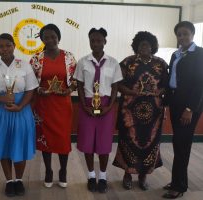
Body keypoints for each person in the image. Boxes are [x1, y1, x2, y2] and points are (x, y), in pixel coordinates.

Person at [0, 33, 38, 197]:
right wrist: (2, 99)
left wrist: (20, 106)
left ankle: (19, 180)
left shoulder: (24, 65)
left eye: (8, 45)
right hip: (0, 112)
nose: (4, 49)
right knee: (4, 146)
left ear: (14, 46)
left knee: (19, 145)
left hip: (21, 111)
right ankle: (8, 181)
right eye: (1, 46)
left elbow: (31, 90)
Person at [112, 31, 169, 191]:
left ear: (153, 46)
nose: (144, 47)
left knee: (150, 143)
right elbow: (117, 84)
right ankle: (128, 175)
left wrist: (159, 91)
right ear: (136, 46)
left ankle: (143, 175)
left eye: (148, 44)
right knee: (129, 141)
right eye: (141, 44)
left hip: (154, 113)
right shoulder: (127, 63)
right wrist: (131, 92)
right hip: (129, 111)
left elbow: (166, 84)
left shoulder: (161, 64)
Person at [74, 28, 122, 193]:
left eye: (99, 40)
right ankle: (91, 175)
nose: (95, 43)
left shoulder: (113, 63)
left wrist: (109, 106)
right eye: (92, 40)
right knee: (87, 142)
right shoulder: (83, 62)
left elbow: (115, 86)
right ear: (89, 42)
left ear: (104, 42)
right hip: (87, 104)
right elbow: (79, 85)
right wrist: (83, 105)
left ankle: (102, 176)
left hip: (106, 105)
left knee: (103, 143)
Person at [30, 24, 77, 188]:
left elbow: (76, 81)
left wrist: (69, 89)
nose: (50, 40)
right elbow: (31, 82)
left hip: (63, 106)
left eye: (53, 36)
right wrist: (39, 89)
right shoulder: (36, 59)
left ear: (58, 37)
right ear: (42, 39)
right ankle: (49, 171)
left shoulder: (69, 57)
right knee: (46, 140)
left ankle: (63, 171)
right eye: (46, 37)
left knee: (63, 140)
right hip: (44, 106)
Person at [162, 21, 203, 199]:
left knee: (182, 144)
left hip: (189, 107)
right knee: (178, 144)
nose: (182, 37)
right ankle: (177, 180)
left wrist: (190, 108)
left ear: (192, 34)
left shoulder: (200, 54)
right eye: (179, 34)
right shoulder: (175, 54)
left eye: (185, 33)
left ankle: (179, 186)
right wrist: (165, 103)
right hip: (175, 104)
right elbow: (172, 79)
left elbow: (200, 84)